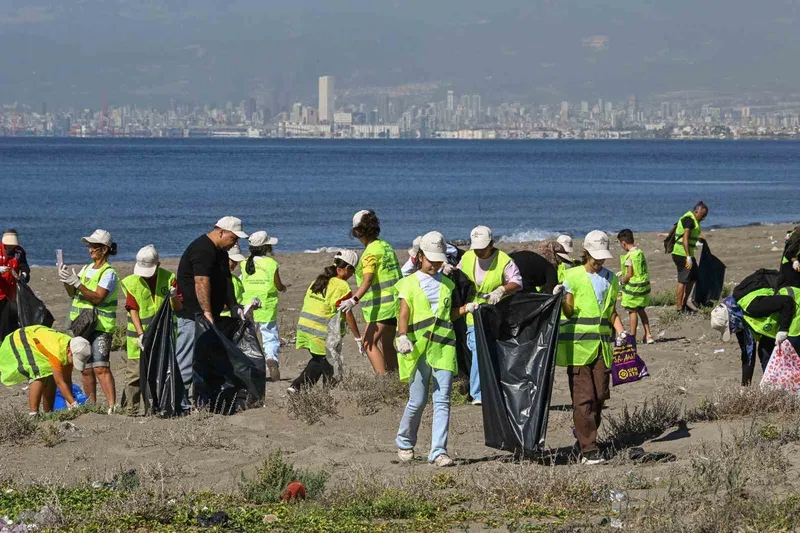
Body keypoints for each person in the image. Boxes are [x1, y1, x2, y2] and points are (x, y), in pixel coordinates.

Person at [394, 232, 478, 467]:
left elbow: (448, 315)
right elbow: (404, 313)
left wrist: (465, 309)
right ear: (420, 257)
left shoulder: (448, 285)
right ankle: (404, 441)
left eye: (438, 261)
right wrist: (402, 336)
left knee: (443, 401)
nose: (434, 265)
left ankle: (438, 451)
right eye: (431, 260)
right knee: (418, 400)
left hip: (444, 347)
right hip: (417, 348)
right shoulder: (408, 284)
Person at [554, 230, 626, 465]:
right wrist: (561, 298)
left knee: (600, 396)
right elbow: (568, 312)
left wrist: (621, 331)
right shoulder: (572, 276)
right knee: (583, 398)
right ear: (586, 252)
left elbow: (611, 312)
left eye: (603, 256)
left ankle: (583, 436)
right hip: (578, 348)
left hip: (602, 348)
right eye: (596, 256)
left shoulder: (611, 279)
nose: (600, 261)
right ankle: (589, 449)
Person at [176, 217, 248, 409]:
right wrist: (206, 311)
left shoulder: (221, 253)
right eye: (234, 238)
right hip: (193, 316)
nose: (235, 243)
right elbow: (201, 281)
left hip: (208, 317)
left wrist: (233, 306)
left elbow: (226, 280)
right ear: (221, 232)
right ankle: (176, 403)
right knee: (186, 360)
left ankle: (202, 402)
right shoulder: (203, 249)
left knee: (205, 361)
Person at [457, 225, 522, 405]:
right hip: (473, 311)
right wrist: (448, 270)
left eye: (482, 248)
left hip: (496, 312)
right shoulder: (468, 257)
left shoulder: (504, 260)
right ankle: (478, 393)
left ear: (491, 244)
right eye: (476, 249)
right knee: (477, 349)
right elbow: (458, 274)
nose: (479, 252)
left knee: (491, 349)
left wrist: (501, 290)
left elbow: (517, 282)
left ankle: (488, 388)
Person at [58, 229, 119, 408]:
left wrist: (78, 283)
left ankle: (112, 405)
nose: (90, 249)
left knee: (101, 367)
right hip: (82, 325)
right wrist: (67, 280)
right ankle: (91, 405)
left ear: (104, 249)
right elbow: (73, 293)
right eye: (89, 246)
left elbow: (98, 297)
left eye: (94, 246)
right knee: (85, 368)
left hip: (101, 326)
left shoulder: (108, 273)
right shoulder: (86, 269)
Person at [339, 210, 402, 374]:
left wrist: (353, 300)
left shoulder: (369, 254)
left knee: (368, 343)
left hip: (382, 308)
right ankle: (396, 379)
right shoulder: (386, 247)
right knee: (387, 345)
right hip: (397, 304)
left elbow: (367, 280)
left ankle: (383, 381)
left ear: (357, 231)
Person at [119, 245, 181, 413]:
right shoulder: (132, 282)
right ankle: (130, 410)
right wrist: (141, 334)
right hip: (138, 339)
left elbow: (178, 307)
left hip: (163, 338)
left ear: (158, 265)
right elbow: (133, 309)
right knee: (135, 375)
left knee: (159, 373)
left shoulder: (169, 279)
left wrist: (174, 297)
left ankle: (156, 408)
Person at [289, 250, 362, 392]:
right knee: (332, 368)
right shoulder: (342, 287)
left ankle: (297, 388)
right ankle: (324, 395)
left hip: (305, 328)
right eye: (353, 271)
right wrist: (358, 338)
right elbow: (348, 314)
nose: (352, 275)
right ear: (347, 268)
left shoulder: (317, 281)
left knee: (318, 361)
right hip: (321, 333)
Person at [0, 325, 92, 415]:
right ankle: (33, 414)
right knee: (38, 373)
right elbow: (60, 382)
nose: (74, 363)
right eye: (75, 359)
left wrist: (70, 403)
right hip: (22, 339)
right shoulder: (57, 352)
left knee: (50, 376)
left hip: (38, 342)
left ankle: (49, 413)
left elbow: (67, 381)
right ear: (69, 352)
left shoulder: (71, 349)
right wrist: (74, 404)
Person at [241, 231, 286, 381]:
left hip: (248, 305)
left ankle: (250, 366)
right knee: (270, 335)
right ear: (266, 247)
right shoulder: (271, 263)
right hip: (267, 305)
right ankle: (271, 359)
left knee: (250, 337)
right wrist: (283, 288)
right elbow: (277, 284)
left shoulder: (244, 263)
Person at [735, 285, 793, 385]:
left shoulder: (752, 307)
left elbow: (786, 301)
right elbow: (748, 354)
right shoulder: (740, 321)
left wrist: (783, 329)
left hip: (793, 314)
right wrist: (745, 385)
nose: (733, 331)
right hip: (777, 325)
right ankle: (771, 386)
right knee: (765, 351)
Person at [671, 201, 708, 314]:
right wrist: (688, 257)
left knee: (693, 277)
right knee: (683, 280)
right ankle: (679, 309)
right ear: (696, 212)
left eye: (705, 216)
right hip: (681, 255)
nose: (703, 218)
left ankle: (684, 303)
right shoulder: (689, 220)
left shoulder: (693, 220)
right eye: (702, 215)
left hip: (688, 255)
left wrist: (699, 240)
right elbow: (685, 239)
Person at [617, 229, 654, 344]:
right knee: (641, 310)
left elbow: (629, 274)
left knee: (632, 311)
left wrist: (621, 282)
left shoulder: (629, 256)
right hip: (643, 287)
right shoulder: (639, 253)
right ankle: (648, 335)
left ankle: (632, 337)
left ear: (624, 243)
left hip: (634, 289)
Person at [0, 230, 28, 342]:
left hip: (10, 292)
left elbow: (24, 266)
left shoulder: (19, 252)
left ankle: (7, 341)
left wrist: (24, 274)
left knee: (9, 320)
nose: (10, 247)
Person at [220, 244, 247, 317]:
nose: (235, 264)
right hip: (220, 319)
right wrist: (234, 306)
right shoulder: (215, 279)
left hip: (235, 318)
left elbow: (240, 299)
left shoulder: (237, 280)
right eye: (233, 261)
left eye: (236, 262)